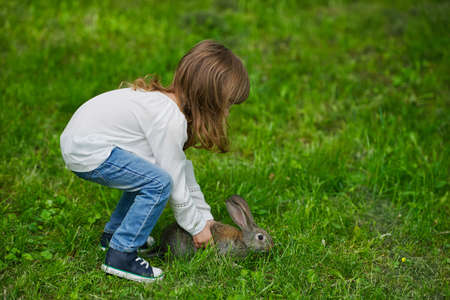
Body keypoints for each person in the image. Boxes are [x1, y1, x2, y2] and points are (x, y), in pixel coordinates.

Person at [59, 40, 250, 283]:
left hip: (81, 141)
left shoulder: (165, 105)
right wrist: (196, 227)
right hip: (87, 149)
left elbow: (180, 168)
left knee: (149, 175)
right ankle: (121, 254)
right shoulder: (170, 119)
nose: (227, 113)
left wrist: (206, 218)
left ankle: (115, 236)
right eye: (227, 105)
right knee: (159, 183)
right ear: (209, 100)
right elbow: (175, 185)